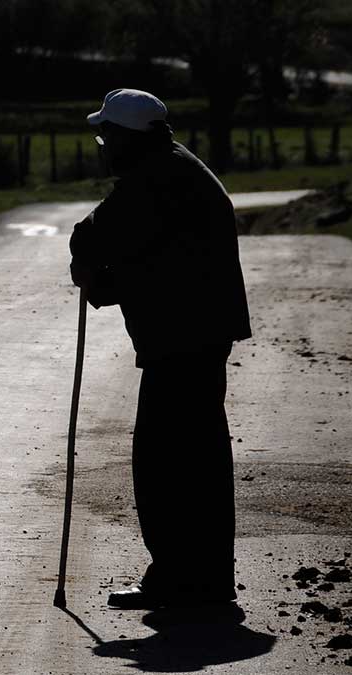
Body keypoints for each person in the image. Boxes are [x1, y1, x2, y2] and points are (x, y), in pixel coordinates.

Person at [69, 88, 251, 609]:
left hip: (185, 339)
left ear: (128, 138)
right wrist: (104, 285)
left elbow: (95, 237)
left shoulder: (156, 179)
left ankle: (186, 581)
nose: (103, 147)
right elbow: (157, 261)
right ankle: (194, 578)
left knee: (168, 462)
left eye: (107, 137)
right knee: (189, 460)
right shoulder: (171, 170)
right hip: (191, 334)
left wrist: (91, 270)